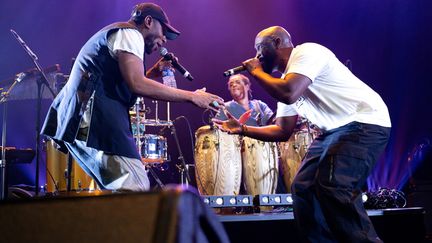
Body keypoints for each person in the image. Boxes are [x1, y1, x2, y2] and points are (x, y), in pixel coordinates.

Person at [213, 26, 391, 242]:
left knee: (333, 184)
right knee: (303, 187)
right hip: (333, 131)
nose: (257, 55)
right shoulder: (287, 79)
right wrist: (243, 129)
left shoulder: (307, 52)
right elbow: (282, 130)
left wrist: (256, 71)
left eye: (259, 48)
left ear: (277, 42)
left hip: (365, 122)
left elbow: (288, 93)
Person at [41, 3, 224, 192]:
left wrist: (153, 72)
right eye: (163, 32)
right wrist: (193, 97)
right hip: (92, 119)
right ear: (148, 21)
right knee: (135, 187)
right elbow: (136, 83)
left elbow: (114, 77)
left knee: (120, 190)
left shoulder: (119, 34)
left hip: (75, 119)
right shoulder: (130, 33)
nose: (164, 40)